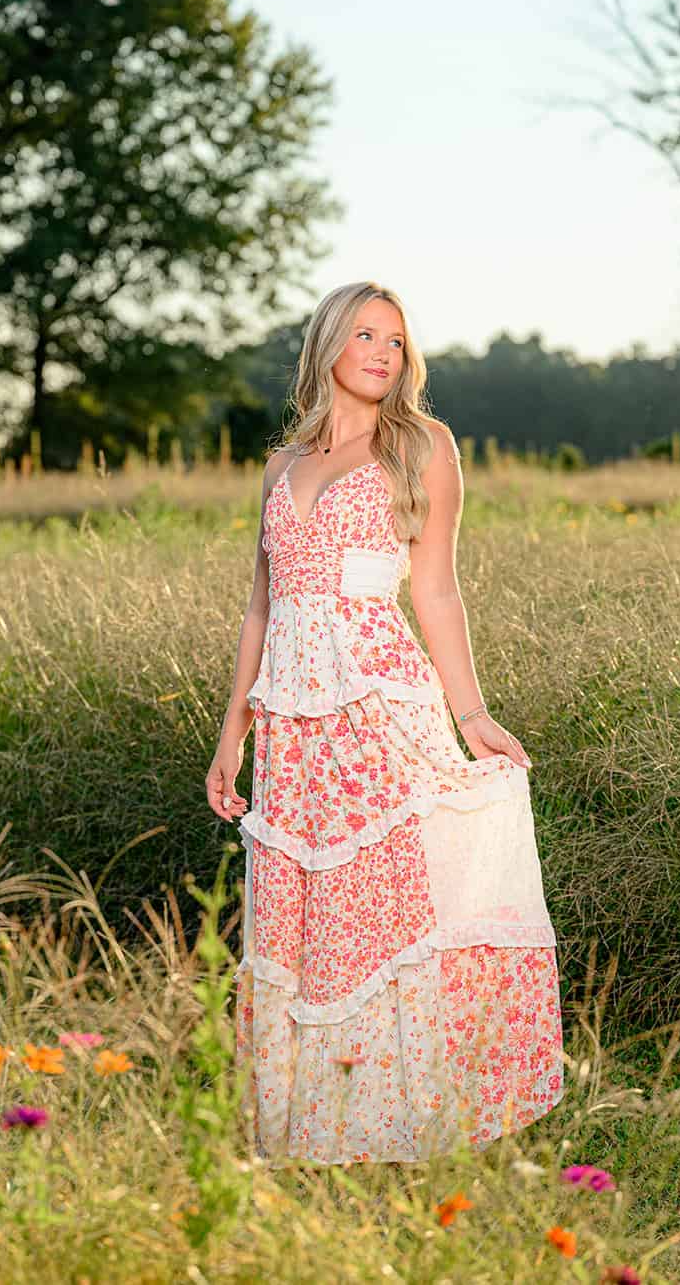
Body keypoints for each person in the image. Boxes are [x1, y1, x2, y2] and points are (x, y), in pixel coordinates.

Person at [205, 280, 564, 1165]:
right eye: (364, 334)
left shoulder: (423, 448)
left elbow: (436, 589)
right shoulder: (279, 465)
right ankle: (312, 1125)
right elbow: (260, 607)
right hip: (292, 722)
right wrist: (232, 729)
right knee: (301, 914)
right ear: (328, 343)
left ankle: (407, 1119)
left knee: (386, 908)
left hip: (377, 700)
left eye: (396, 341)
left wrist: (470, 710)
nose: (380, 352)